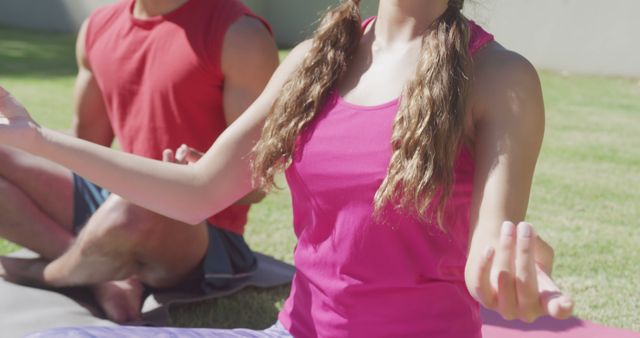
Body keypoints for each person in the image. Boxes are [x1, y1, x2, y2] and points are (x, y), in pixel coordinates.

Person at [1, 0, 575, 336]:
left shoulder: (499, 76)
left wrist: (518, 265)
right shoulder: (316, 60)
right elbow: (199, 191)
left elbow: (488, 248)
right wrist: (38, 140)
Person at [0, 0, 278, 323]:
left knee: (140, 204)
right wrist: (26, 141)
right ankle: (103, 273)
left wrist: (210, 173)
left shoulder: (241, 35)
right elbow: (85, 146)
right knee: (126, 200)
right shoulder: (98, 27)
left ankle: (51, 273)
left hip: (202, 228)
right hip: (114, 202)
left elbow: (258, 181)